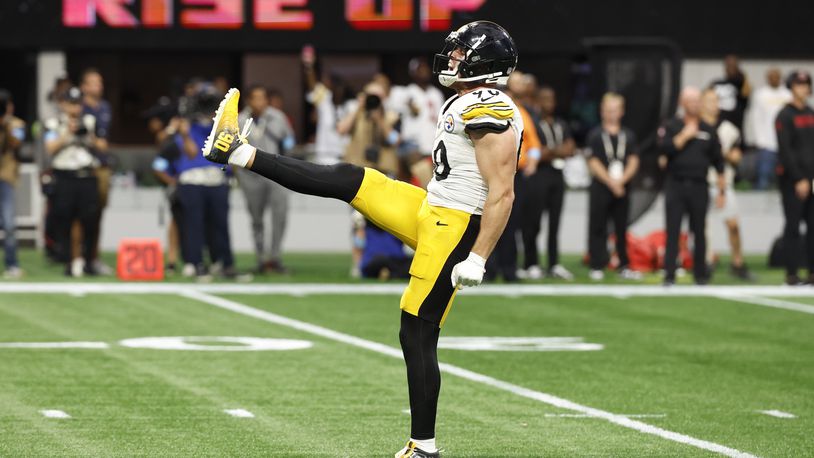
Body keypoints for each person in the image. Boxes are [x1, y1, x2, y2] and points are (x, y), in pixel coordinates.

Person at [202, 20, 520, 458]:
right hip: (433, 208)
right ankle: (236, 150)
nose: (452, 58)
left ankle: (423, 447)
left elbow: (502, 191)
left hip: (457, 227)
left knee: (417, 331)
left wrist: (479, 257)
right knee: (351, 179)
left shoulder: (492, 108)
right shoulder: (467, 100)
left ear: (485, 61)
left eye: (461, 53)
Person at [658, 87, 726, 285]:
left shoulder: (708, 129)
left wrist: (722, 191)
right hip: (676, 184)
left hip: (699, 185)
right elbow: (664, 149)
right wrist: (685, 136)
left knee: (699, 231)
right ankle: (669, 274)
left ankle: (700, 274)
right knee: (673, 230)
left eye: (697, 100)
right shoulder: (671, 125)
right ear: (682, 102)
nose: (694, 104)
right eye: (690, 100)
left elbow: (718, 161)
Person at [173, 81, 236, 281]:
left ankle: (225, 264)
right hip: (193, 179)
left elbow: (227, 152)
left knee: (221, 224)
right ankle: (196, 263)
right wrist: (183, 133)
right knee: (194, 224)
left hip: (216, 179)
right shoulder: (185, 126)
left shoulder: (220, 126)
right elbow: (191, 153)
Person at [43, 87, 102, 277]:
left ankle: (89, 261)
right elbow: (50, 148)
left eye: (77, 103)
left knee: (90, 220)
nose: (74, 108)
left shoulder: (90, 121)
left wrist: (88, 137)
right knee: (65, 220)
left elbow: (103, 145)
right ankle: (69, 260)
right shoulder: (54, 123)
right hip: (64, 176)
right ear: (63, 104)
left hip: (86, 175)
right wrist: (67, 133)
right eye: (71, 103)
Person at [236, 85, 295, 274]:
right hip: (251, 176)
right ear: (249, 100)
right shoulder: (240, 120)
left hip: (276, 173)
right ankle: (261, 258)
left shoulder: (277, 117)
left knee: (280, 215)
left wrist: (287, 158)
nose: (260, 102)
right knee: (256, 219)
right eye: (256, 98)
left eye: (263, 98)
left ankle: (275, 257)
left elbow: (290, 140)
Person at [521, 86, 575, 280]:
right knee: (533, 221)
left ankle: (554, 263)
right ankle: (531, 262)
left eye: (551, 100)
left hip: (558, 175)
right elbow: (535, 151)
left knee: (555, 221)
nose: (549, 104)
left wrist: (550, 151)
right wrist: (554, 151)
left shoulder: (560, 123)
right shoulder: (533, 123)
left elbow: (570, 149)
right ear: (537, 101)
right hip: (539, 176)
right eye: (544, 99)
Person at [700, 89, 754, 281]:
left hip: (724, 181)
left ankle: (737, 262)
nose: (713, 105)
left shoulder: (729, 129)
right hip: (701, 181)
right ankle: (705, 263)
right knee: (703, 227)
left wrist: (718, 151)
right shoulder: (696, 127)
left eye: (715, 101)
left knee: (733, 224)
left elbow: (737, 157)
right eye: (709, 100)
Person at [585, 93, 641, 281]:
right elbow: (592, 161)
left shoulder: (628, 135)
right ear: (602, 112)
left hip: (622, 187)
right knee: (597, 225)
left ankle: (623, 263)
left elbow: (633, 160)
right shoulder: (595, 135)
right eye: (608, 110)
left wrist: (621, 181)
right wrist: (610, 181)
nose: (611, 114)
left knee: (621, 226)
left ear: (622, 112)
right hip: (601, 186)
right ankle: (597, 263)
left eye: (615, 110)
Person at [775, 70, 814, 285]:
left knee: (813, 226)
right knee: (793, 225)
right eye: (799, 84)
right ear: (792, 87)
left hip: (813, 179)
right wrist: (799, 178)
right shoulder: (784, 115)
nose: (803, 88)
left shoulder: (811, 112)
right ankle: (791, 272)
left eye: (806, 84)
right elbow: (786, 151)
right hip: (793, 180)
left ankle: (812, 271)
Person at [389, 58, 446, 187]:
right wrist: (394, 139)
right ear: (413, 73)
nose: (424, 72)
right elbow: (392, 117)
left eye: (425, 69)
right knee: (412, 185)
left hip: (432, 145)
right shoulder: (407, 92)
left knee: (430, 185)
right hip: (412, 146)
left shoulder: (436, 93)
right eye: (420, 69)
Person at [80, 68, 113, 275]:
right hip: (81, 166)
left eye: (100, 82)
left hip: (101, 167)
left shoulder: (105, 107)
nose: (98, 86)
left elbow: (103, 140)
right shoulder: (78, 107)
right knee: (80, 215)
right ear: (84, 86)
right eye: (93, 82)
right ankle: (76, 258)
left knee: (98, 214)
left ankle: (94, 257)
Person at [751, 68, 791, 190]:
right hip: (767, 144)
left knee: (786, 178)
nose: (774, 79)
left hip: (786, 144)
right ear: (767, 78)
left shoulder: (787, 95)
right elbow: (756, 117)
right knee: (764, 176)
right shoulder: (760, 94)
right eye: (771, 76)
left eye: (776, 76)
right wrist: (759, 139)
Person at [0, 90, 25, 279]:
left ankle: (12, 263)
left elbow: (16, 144)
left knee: (8, 223)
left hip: (6, 177)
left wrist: (5, 125)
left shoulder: (17, 124)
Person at [709, 55, 751, 136]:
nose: (730, 68)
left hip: (736, 125)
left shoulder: (740, 83)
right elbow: (705, 96)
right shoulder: (717, 83)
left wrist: (743, 75)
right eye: (728, 65)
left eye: (733, 65)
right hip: (719, 124)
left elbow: (746, 92)